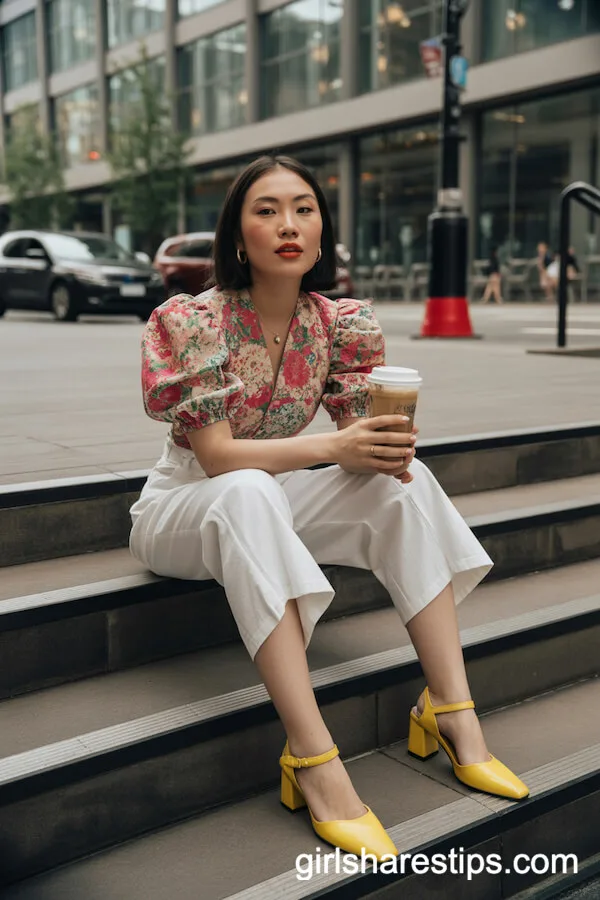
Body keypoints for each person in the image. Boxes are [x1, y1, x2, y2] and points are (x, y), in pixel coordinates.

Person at [129, 155, 529, 862]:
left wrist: (380, 442)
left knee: (399, 485)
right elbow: (218, 459)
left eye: (304, 209)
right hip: (183, 506)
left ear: (323, 231)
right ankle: (313, 759)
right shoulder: (193, 320)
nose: (288, 224)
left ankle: (453, 712)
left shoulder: (338, 322)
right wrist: (335, 446)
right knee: (248, 489)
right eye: (267, 209)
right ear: (238, 231)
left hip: (269, 499)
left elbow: (356, 441)